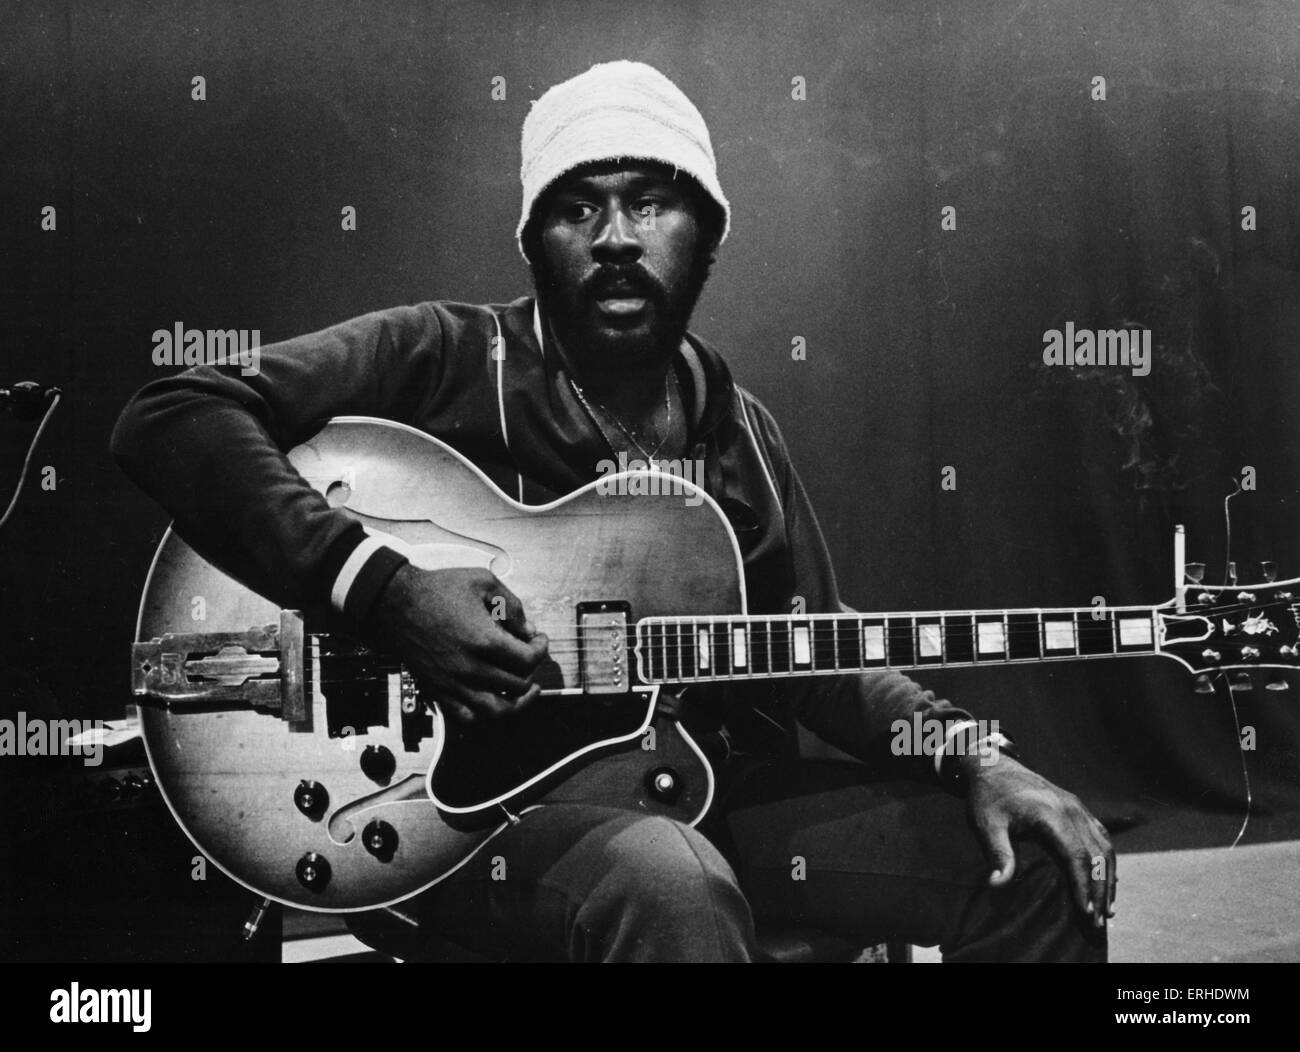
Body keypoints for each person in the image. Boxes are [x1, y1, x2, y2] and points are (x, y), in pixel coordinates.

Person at [112, 60, 1115, 962]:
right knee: (670, 886)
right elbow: (173, 414)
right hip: (460, 819)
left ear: (708, 232)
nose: (617, 240)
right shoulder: (443, 356)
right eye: (576, 210)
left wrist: (972, 751)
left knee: (1031, 863)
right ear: (534, 243)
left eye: (651, 203)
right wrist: (388, 593)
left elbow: (819, 655)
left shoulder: (737, 430)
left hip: (694, 794)